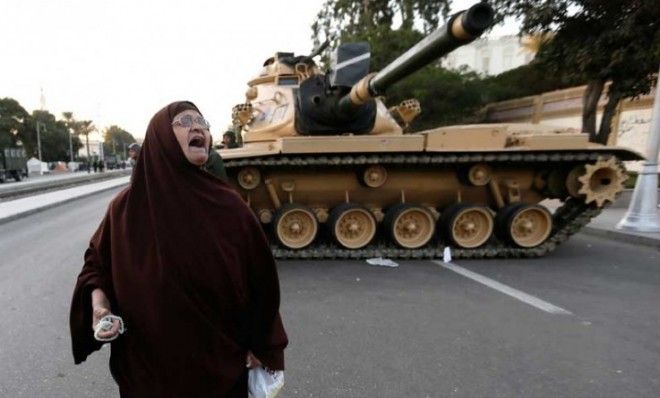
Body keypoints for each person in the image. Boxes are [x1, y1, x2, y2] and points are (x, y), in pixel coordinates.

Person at [69, 101, 287, 397]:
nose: (198, 126)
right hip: (146, 370)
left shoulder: (229, 206)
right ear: (161, 138)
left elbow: (261, 281)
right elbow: (96, 266)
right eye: (185, 121)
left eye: (202, 121)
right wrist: (100, 307)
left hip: (220, 368)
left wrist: (265, 344)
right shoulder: (125, 209)